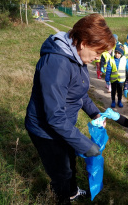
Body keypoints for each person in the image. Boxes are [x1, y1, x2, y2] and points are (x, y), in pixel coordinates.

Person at [24, 14, 115, 205]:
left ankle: (72, 191)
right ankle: (62, 198)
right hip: (46, 130)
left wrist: (94, 112)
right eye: (97, 52)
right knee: (61, 172)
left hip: (63, 126)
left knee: (70, 161)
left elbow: (78, 92)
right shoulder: (57, 64)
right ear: (83, 43)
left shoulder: (77, 58)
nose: (99, 58)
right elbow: (54, 117)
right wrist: (85, 144)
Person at [105, 44, 126, 108]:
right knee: (113, 91)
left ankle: (119, 101)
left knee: (120, 91)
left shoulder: (124, 59)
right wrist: (107, 79)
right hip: (113, 79)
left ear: (121, 54)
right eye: (116, 53)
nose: (117, 54)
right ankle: (113, 101)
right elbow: (108, 70)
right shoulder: (111, 60)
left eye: (119, 53)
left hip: (121, 80)